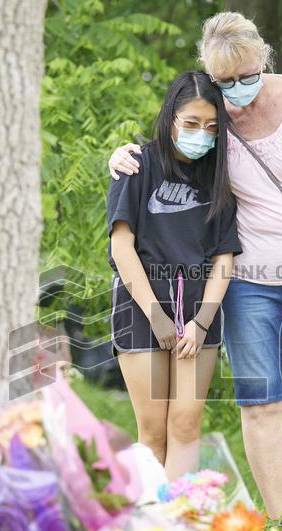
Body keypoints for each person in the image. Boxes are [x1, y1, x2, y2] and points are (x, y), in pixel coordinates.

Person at [109, 12, 282, 521]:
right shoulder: (214, 118)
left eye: (246, 75)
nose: (237, 89)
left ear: (264, 58)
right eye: (225, 81)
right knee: (259, 407)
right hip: (247, 283)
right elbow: (171, 147)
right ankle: (280, 525)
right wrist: (122, 157)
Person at [107, 70, 241, 481]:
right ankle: (150, 528)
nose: (202, 134)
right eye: (193, 124)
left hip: (201, 309)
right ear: (170, 118)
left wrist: (201, 322)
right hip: (141, 303)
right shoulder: (136, 166)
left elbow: (224, 258)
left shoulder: (218, 177)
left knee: (186, 423)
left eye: (212, 127)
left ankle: (182, 523)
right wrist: (157, 316)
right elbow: (121, 246)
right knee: (153, 432)